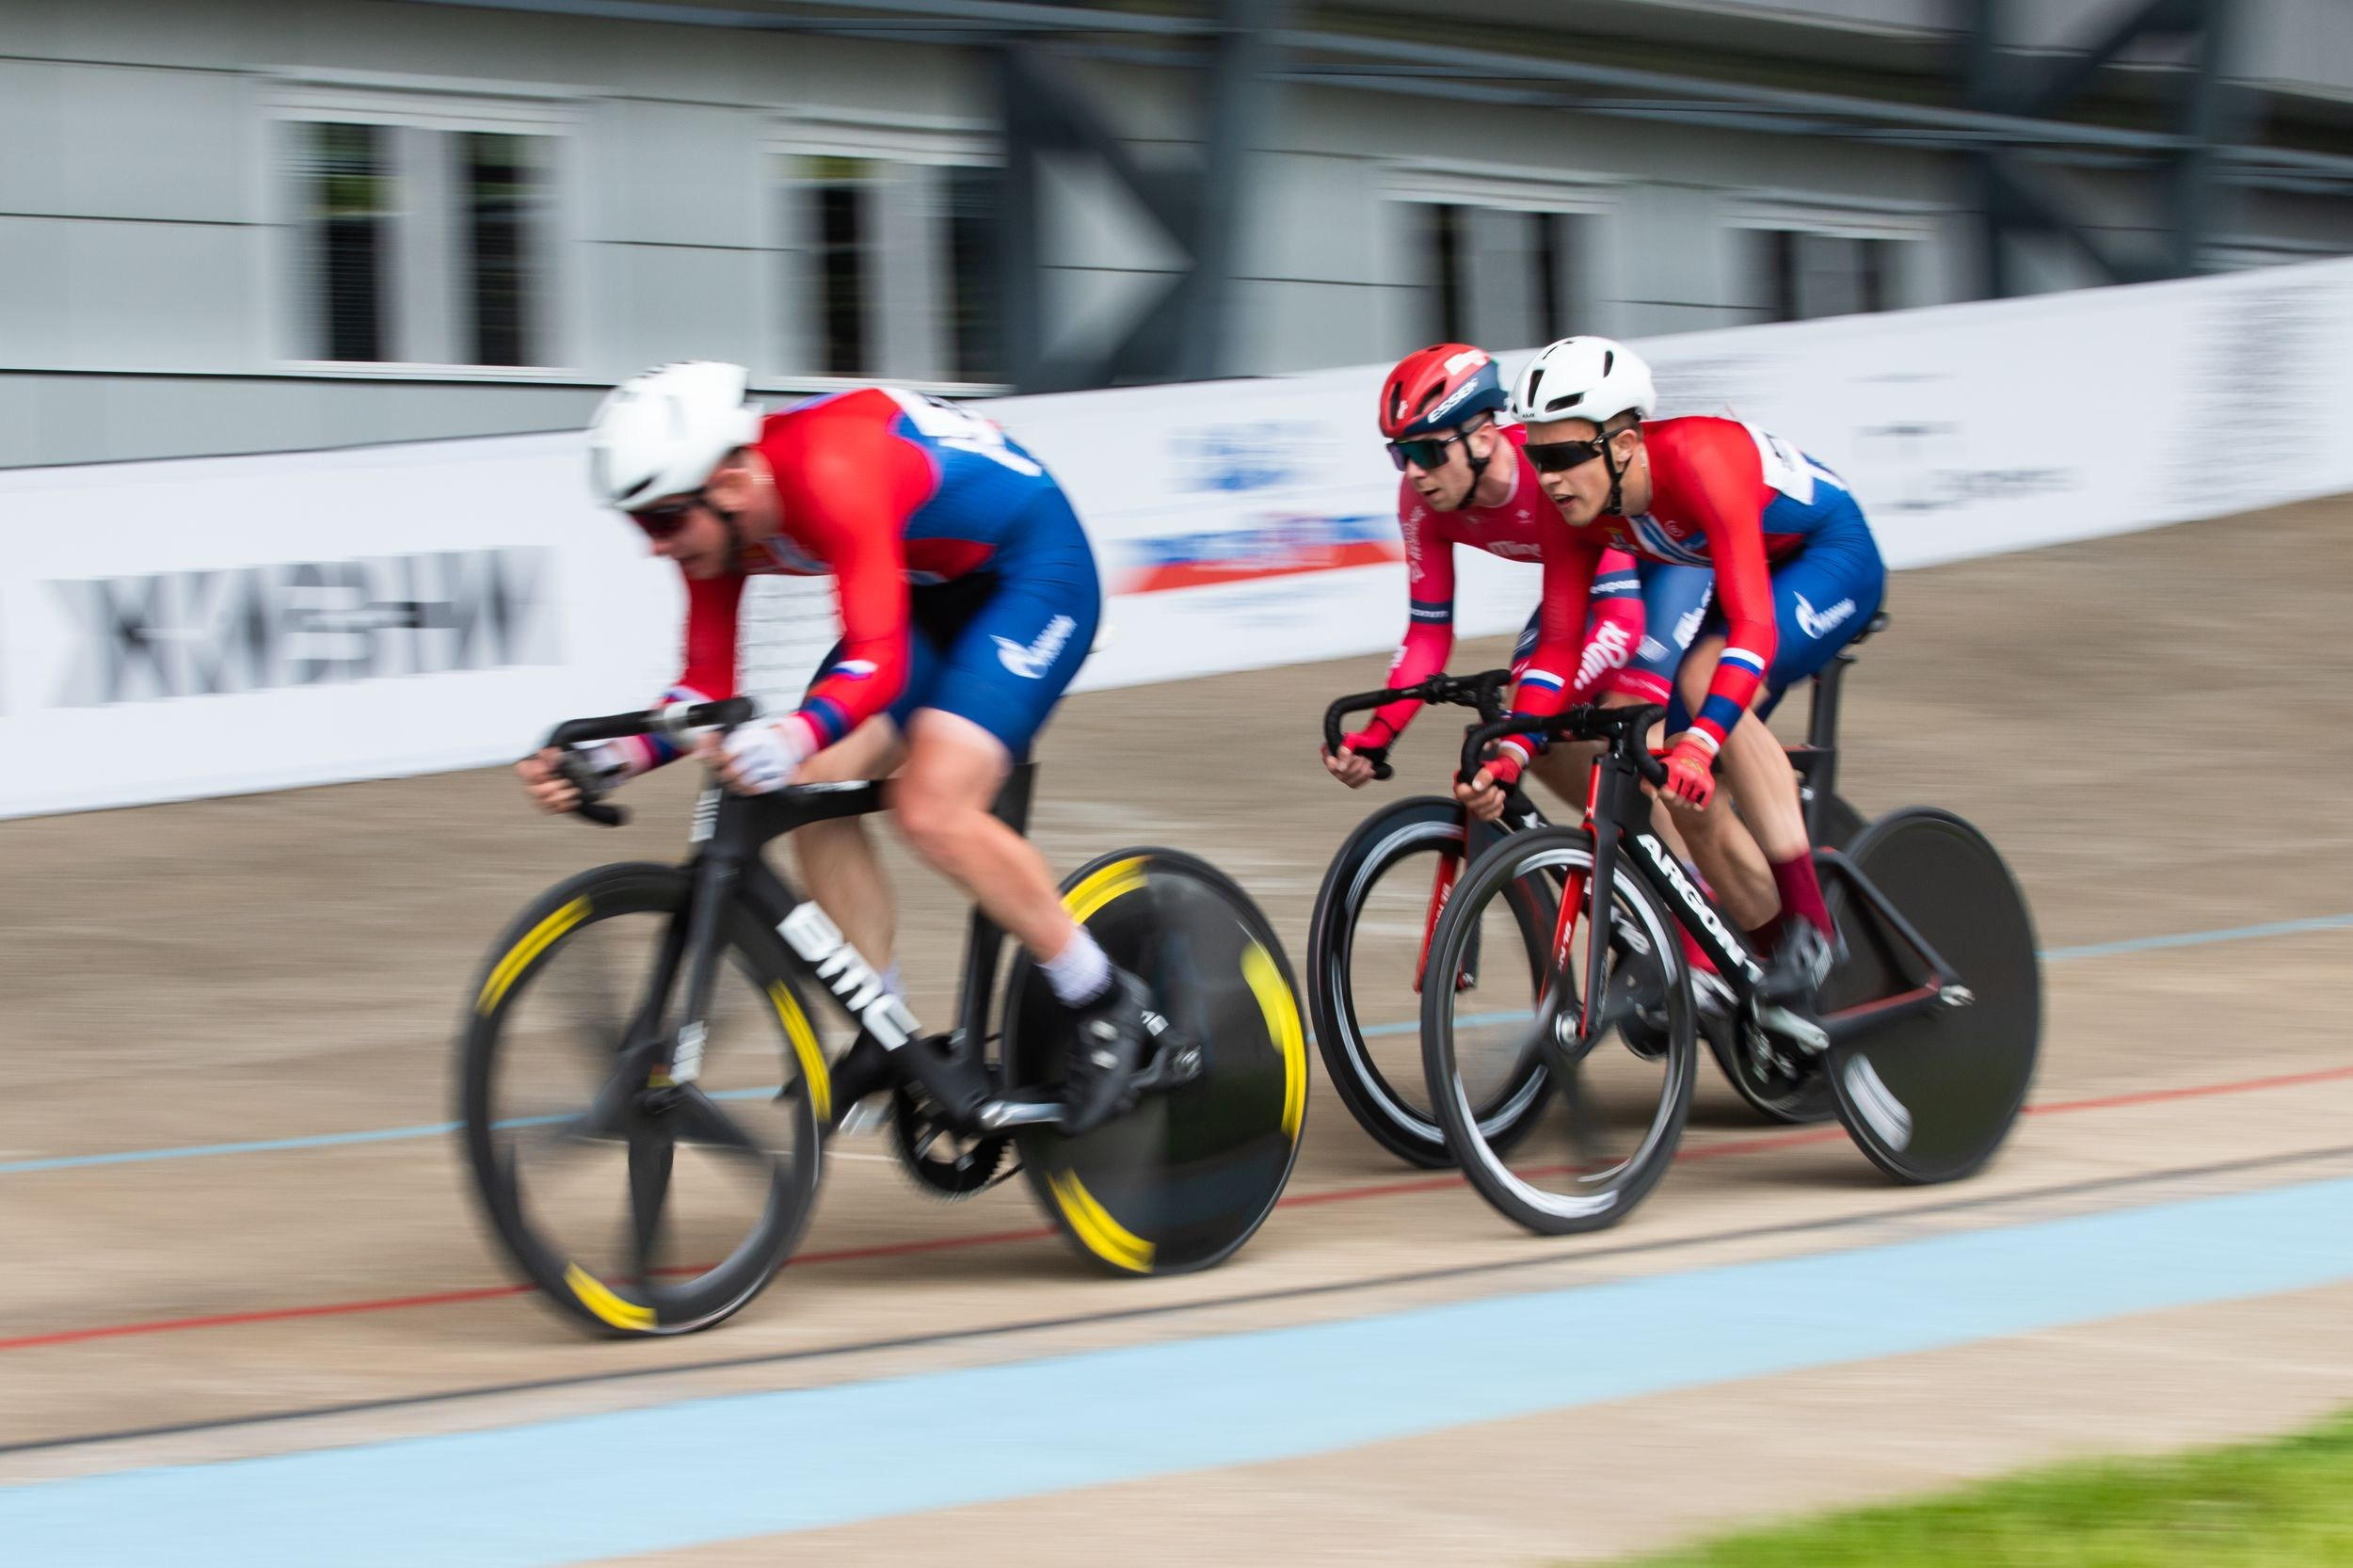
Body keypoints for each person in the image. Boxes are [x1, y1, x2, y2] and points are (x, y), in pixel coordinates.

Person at [516, 361, 1151, 1135]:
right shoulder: (718, 528)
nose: (655, 547)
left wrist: (792, 731)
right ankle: (883, 1028)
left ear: (733, 481)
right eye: (642, 524)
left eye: (662, 521)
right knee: (805, 795)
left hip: (1033, 575)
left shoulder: (830, 469)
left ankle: (1103, 996)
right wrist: (607, 759)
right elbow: (703, 694)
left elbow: (876, 660)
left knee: (931, 807)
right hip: (931, 592)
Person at [1455, 336, 1886, 1016]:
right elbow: (1562, 647)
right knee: (1683, 791)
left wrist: (1704, 740)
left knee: (1702, 690)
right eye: (1539, 458)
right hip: (1739, 571)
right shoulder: (1573, 503)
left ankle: (1813, 932)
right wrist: (1514, 751)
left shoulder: (1701, 459)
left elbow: (1752, 629)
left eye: (1566, 456)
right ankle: (1765, 969)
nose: (1552, 478)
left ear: (1623, 442)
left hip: (1826, 556)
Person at [1324, 343, 1715, 807]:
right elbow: (1427, 635)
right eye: (1400, 454)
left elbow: (1620, 622)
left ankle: (1694, 868)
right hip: (1587, 584)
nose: (1413, 473)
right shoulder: (1420, 504)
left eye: (1427, 452)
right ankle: (1625, 856)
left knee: (1628, 726)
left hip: (1670, 569)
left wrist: (1525, 722)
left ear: (1485, 438)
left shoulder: (1551, 478)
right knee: (1530, 732)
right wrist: (1381, 731)